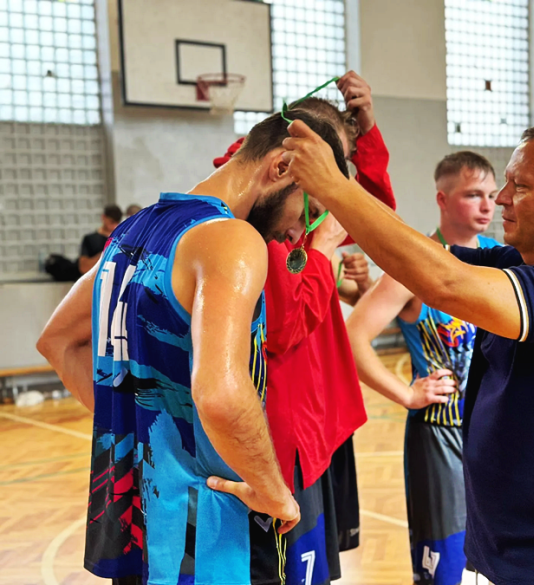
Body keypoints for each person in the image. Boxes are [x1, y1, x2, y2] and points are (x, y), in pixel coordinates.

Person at [281, 120, 534, 585]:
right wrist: (346, 184)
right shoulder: (519, 264)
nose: (502, 198)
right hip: (508, 550)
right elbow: (420, 258)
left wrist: (334, 186)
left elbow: (443, 283)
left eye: (520, 186)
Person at [36, 110, 349, 585]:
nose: (297, 231)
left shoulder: (132, 232)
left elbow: (57, 341)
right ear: (281, 168)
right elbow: (221, 393)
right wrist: (274, 491)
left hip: (137, 521)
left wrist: (144, 431)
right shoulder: (232, 238)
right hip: (211, 534)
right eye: (309, 207)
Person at [211, 72, 395, 584]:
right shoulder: (259, 216)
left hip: (316, 420)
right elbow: (285, 325)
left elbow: (374, 216)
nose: (336, 191)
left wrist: (368, 129)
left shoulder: (293, 199)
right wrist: (322, 252)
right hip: (282, 430)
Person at [346, 151, 499, 585]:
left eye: (491, 194)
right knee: (446, 568)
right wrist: (407, 394)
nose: (487, 206)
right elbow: (354, 337)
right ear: (443, 199)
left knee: (496, 564)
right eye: (473, 195)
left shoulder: (503, 260)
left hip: (496, 432)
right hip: (440, 435)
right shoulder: (415, 265)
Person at [78, 204, 122, 275]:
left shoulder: (122, 239)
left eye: (117, 222)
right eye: (112, 222)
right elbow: (83, 268)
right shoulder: (90, 239)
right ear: (104, 218)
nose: (114, 226)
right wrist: (103, 255)